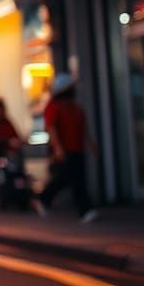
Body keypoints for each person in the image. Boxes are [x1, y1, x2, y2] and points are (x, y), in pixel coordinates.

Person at [37, 73, 99, 222]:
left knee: (73, 179)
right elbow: (52, 128)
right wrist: (58, 148)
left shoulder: (76, 108)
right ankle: (85, 210)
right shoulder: (54, 107)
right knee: (69, 179)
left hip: (77, 149)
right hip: (64, 151)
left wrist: (91, 144)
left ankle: (44, 198)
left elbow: (83, 128)